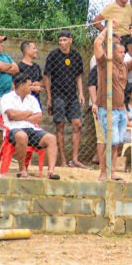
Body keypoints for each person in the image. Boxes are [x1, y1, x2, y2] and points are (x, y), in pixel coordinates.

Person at [94, 26, 132, 180]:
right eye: (120, 52)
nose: (123, 54)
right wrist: (107, 29)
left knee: (117, 143)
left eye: (124, 52)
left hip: (121, 110)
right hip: (107, 109)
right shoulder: (105, 63)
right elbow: (97, 43)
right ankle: (103, 173)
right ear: (112, 52)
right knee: (111, 142)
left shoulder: (125, 66)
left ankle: (112, 171)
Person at [0, 74, 60, 179]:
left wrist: (21, 116)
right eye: (29, 85)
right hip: (13, 130)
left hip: (31, 129)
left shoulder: (32, 99)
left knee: (51, 138)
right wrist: (28, 113)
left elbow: (39, 118)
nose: (32, 87)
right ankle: (22, 170)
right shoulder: (7, 97)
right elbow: (11, 115)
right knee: (22, 136)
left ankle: (51, 172)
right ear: (21, 86)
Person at [43, 31, 86, 168]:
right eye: (60, 40)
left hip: (72, 95)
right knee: (60, 126)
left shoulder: (76, 56)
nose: (62, 42)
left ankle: (75, 159)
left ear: (70, 41)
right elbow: (46, 76)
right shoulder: (53, 55)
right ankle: (62, 160)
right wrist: (49, 97)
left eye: (64, 40)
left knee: (77, 124)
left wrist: (81, 93)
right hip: (58, 95)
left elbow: (78, 76)